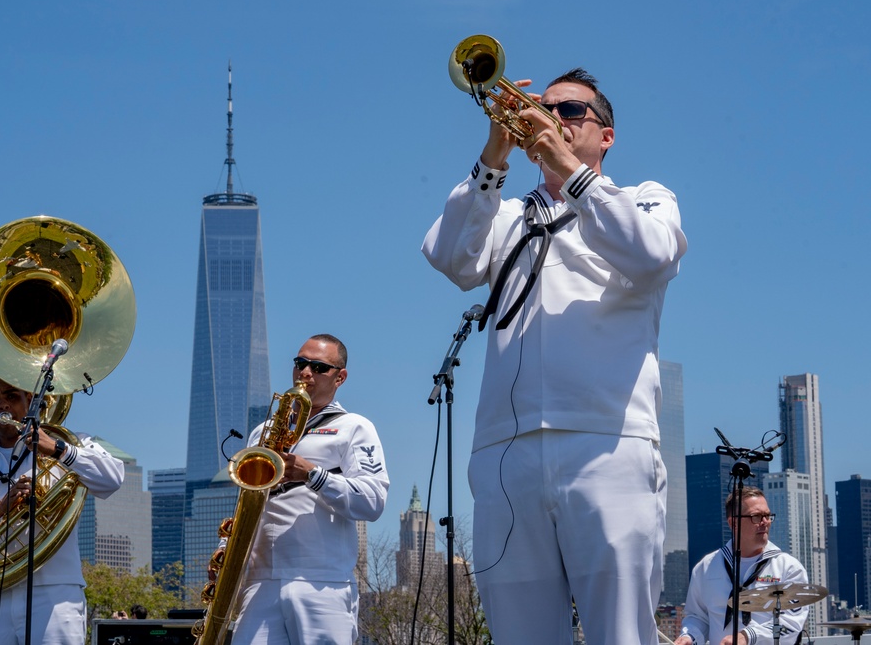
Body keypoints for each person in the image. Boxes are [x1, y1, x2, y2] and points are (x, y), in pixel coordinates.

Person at [422, 67, 688, 644]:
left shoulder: (643, 198)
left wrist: (569, 173)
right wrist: (495, 152)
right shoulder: (509, 213)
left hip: (606, 444)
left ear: (606, 135)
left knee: (621, 633)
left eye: (570, 112)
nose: (552, 120)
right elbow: (449, 258)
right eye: (544, 109)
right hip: (504, 455)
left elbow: (651, 255)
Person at [0, 371, 125, 644]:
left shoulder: (69, 441)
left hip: (54, 590)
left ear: (30, 400)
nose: (2, 405)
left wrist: (59, 450)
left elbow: (112, 479)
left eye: (11, 396)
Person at [230, 334, 389, 645]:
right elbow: (246, 505)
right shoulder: (261, 432)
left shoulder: (354, 426)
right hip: (260, 583)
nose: (305, 373)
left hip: (322, 583)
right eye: (301, 363)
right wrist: (228, 552)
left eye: (318, 367)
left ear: (340, 377)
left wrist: (312, 475)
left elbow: (373, 501)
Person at [676, 487, 810, 645]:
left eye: (767, 516)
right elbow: (698, 617)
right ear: (733, 523)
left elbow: (792, 624)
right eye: (756, 517)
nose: (765, 522)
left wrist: (747, 636)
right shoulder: (705, 567)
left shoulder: (789, 568)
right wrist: (689, 636)